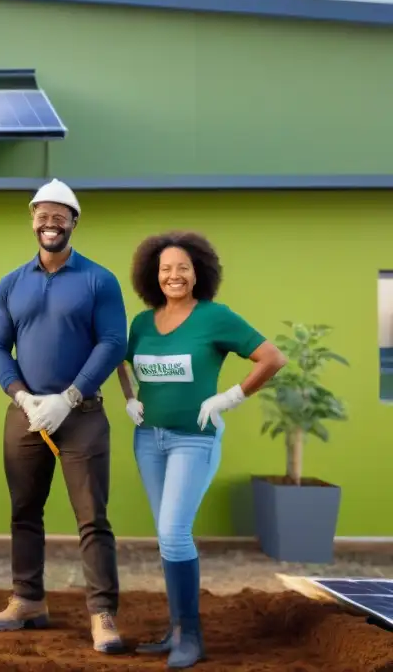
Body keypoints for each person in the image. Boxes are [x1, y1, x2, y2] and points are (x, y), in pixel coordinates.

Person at [115, 232, 286, 668]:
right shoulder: (141, 323)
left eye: (183, 268)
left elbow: (272, 358)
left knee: (174, 533)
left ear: (198, 273)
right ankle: (175, 632)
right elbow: (119, 357)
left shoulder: (215, 317)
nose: (174, 275)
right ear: (153, 276)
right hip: (148, 440)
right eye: (166, 269)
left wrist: (229, 398)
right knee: (166, 538)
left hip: (194, 439)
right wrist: (128, 397)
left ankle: (191, 637)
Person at [0, 178, 128, 654]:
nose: (50, 223)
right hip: (25, 416)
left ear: (74, 221)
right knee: (25, 512)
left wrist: (69, 396)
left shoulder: (97, 280)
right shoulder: (11, 283)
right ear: (32, 220)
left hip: (81, 413)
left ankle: (102, 614)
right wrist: (23, 396)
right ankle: (28, 599)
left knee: (92, 518)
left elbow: (113, 342)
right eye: (42, 215)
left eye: (59, 215)